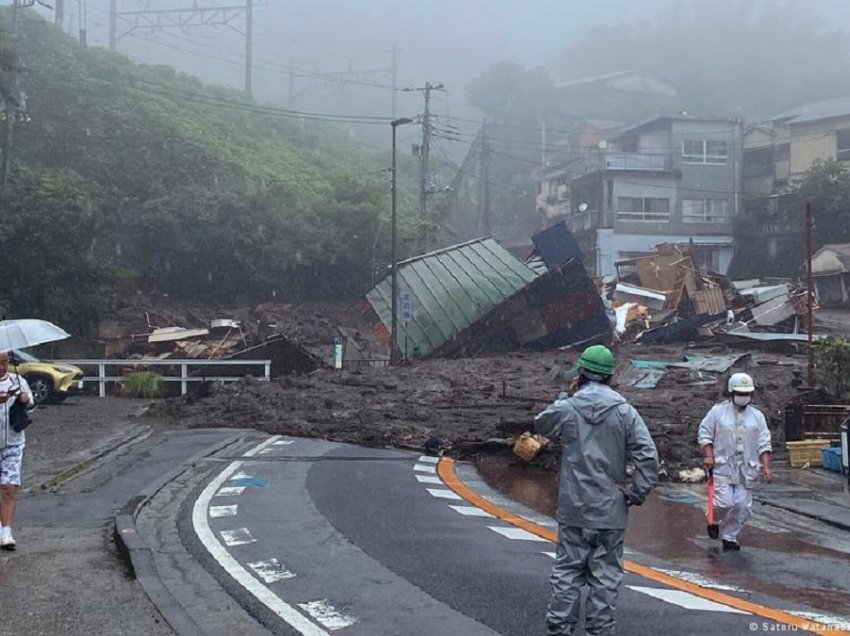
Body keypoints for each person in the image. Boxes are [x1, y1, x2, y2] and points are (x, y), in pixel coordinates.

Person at [533, 344, 659, 636]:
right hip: (610, 509)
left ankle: (560, 629)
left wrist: (567, 395)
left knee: (567, 572)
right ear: (610, 377)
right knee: (605, 578)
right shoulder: (625, 412)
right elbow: (648, 456)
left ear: (581, 373)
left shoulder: (567, 407)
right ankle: (599, 632)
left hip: (574, 507)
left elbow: (541, 423)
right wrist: (636, 492)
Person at [698, 372, 772, 551]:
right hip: (723, 466)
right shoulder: (718, 412)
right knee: (724, 503)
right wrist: (709, 455)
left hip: (747, 469)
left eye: (747, 393)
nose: (743, 397)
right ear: (731, 392)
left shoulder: (757, 416)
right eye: (740, 393)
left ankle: (730, 536)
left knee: (742, 506)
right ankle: (713, 520)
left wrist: (766, 467)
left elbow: (764, 442)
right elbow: (705, 433)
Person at [0, 350, 36, 551]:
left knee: (9, 487)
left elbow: (31, 407)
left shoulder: (18, 381)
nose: (1, 367)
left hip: (13, 442)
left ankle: (7, 532)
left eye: (4, 362)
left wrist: (25, 400)